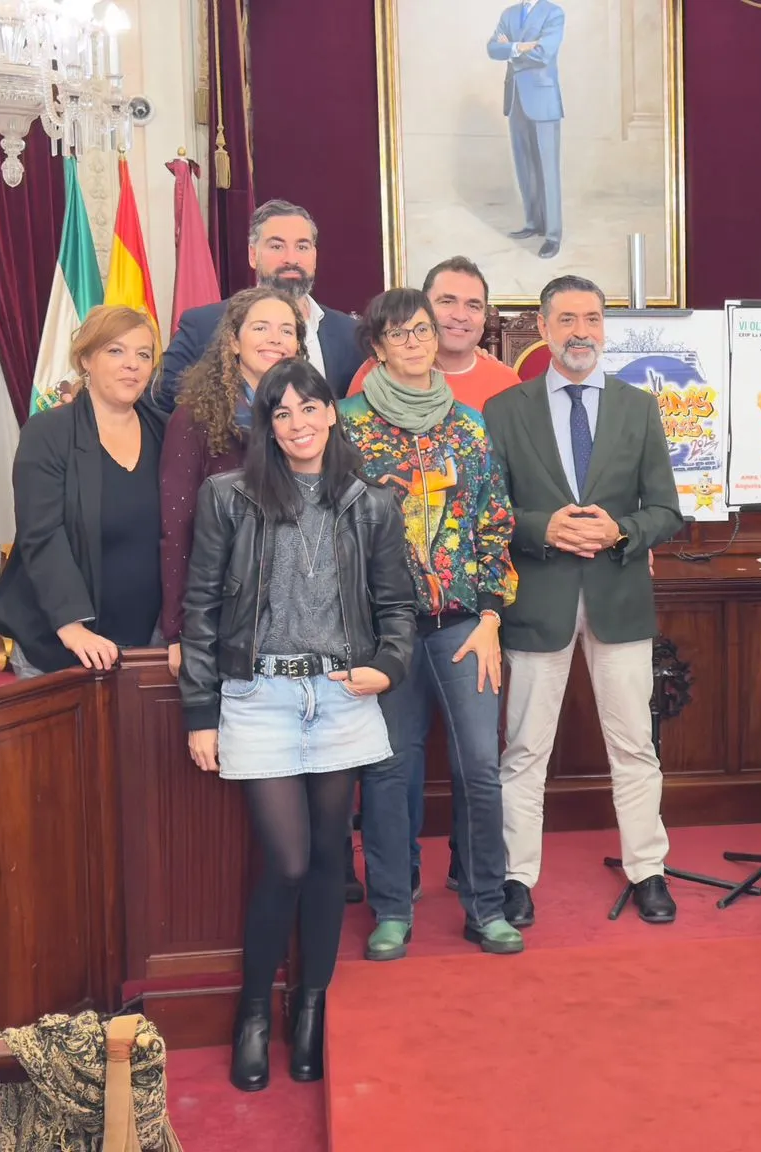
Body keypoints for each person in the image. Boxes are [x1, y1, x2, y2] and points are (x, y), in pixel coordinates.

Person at [177, 357, 418, 1093]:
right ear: (266, 425)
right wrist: (200, 711)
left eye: (309, 408)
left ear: (331, 413)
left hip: (340, 697)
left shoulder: (369, 501)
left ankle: (310, 1007)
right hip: (260, 699)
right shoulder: (229, 497)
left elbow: (397, 606)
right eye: (282, 413)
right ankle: (254, 1012)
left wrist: (390, 665)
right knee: (284, 861)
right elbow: (201, 608)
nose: (299, 424)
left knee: (324, 861)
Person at [484, 275, 685, 924]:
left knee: (634, 745)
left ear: (605, 329)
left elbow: (667, 511)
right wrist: (542, 528)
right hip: (536, 602)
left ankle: (648, 869)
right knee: (523, 750)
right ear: (542, 329)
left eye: (592, 319)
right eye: (566, 319)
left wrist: (621, 529)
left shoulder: (638, 408)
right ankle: (516, 879)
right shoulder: (505, 411)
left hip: (618, 599)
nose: (580, 332)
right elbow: (487, 513)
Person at [339, 288, 523, 959]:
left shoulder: (469, 427)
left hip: (463, 625)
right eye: (399, 333)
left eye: (422, 330)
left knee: (480, 765)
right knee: (388, 768)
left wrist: (492, 615)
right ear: (378, 345)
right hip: (383, 633)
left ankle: (485, 903)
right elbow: (333, 529)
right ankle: (392, 906)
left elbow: (494, 524)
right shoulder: (347, 426)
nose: (415, 342)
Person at [0, 306, 167, 677]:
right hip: (58, 640)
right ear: (86, 358)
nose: (132, 363)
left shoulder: (165, 432)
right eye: (116, 351)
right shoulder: (48, 433)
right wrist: (71, 626)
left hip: (147, 641)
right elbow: (41, 534)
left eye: (143, 354)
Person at [160, 288, 305, 675]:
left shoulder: (310, 419)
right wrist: (179, 631)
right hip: (224, 611)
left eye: (287, 330)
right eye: (261, 327)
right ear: (232, 341)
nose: (276, 339)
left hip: (299, 612)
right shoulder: (194, 418)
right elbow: (177, 528)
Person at [153, 200, 366, 412]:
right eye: (276, 246)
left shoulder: (350, 334)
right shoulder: (204, 326)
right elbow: (157, 405)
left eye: (302, 246)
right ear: (253, 255)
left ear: (314, 256)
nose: (291, 258)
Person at [345, 257, 521, 410]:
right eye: (447, 301)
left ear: (484, 318)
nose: (460, 316)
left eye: (473, 306)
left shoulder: (506, 383)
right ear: (424, 309)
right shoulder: (376, 373)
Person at [488, 0, 567, 259]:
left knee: (547, 169)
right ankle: (533, 223)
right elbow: (492, 49)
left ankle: (553, 235)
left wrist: (509, 49)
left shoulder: (554, 13)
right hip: (515, 98)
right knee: (525, 166)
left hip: (543, 99)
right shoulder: (508, 14)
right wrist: (520, 47)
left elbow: (544, 53)